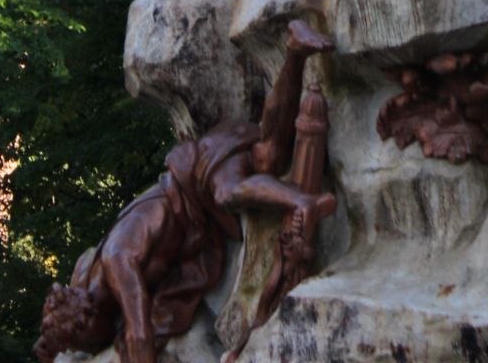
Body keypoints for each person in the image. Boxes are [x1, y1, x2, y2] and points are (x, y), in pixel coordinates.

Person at [35, 22, 335, 363]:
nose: (91, 345)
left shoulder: (117, 262)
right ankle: (295, 51)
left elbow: (139, 334)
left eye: (86, 341)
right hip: (202, 213)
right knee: (269, 154)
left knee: (234, 186)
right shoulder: (95, 276)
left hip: (194, 179)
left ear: (87, 318)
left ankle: (301, 199)